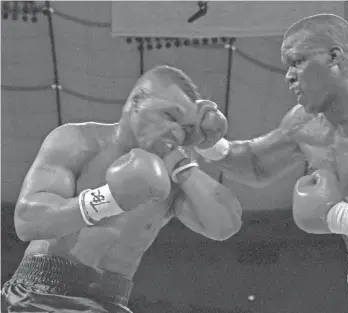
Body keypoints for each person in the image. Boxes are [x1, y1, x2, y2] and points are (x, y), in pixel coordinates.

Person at [195, 14, 348, 313]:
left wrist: (339, 216)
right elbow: (255, 164)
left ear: (333, 57)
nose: (288, 75)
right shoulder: (304, 125)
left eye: (297, 61)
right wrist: (209, 143)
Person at [1, 65, 242, 313]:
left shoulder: (172, 178)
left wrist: (183, 165)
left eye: (187, 129)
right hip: (39, 295)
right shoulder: (78, 141)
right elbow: (27, 221)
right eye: (170, 116)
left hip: (111, 302)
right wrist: (107, 199)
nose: (176, 131)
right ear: (136, 102)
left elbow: (225, 225)